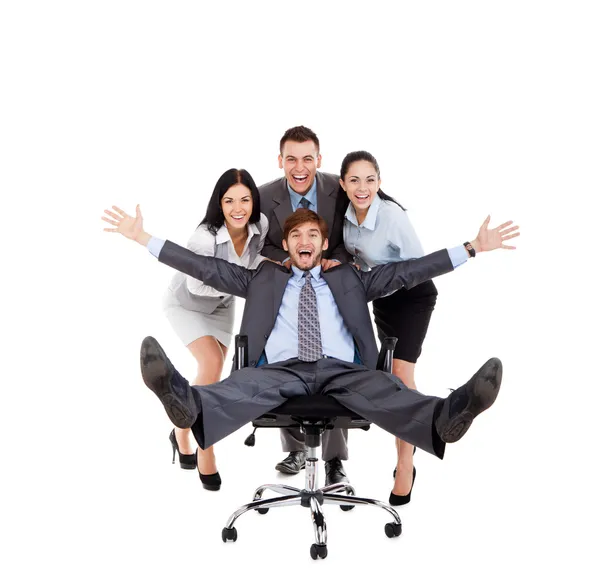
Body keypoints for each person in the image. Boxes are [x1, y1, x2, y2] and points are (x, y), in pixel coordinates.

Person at [102, 207, 519, 482]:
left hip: (343, 370)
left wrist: (473, 248)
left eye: (314, 235)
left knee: (387, 389)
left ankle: (446, 416)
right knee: (241, 387)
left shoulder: (350, 276)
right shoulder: (262, 277)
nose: (306, 240)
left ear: (323, 244)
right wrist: (144, 239)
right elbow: (204, 267)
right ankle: (185, 402)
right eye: (297, 235)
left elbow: (411, 270)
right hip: (280, 372)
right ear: (286, 245)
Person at [102, 168, 268, 491]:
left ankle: (181, 433)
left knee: (213, 373)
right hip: (187, 302)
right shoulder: (204, 238)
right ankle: (207, 450)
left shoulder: (259, 227)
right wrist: (242, 283)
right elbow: (197, 285)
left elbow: (260, 260)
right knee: (212, 364)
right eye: (229, 200)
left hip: (223, 306)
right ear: (219, 204)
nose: (238, 208)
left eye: (245, 200)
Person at [339, 150, 438, 505]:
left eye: (370, 180)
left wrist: (374, 281)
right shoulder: (346, 215)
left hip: (411, 296)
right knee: (384, 375)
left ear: (379, 182)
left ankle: (405, 463)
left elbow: (417, 268)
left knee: (400, 376)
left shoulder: (392, 216)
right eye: (354, 180)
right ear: (343, 184)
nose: (362, 187)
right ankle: (406, 449)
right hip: (381, 299)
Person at [258, 125, 351, 484]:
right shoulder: (264, 197)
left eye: (308, 158)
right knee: (286, 352)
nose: (300, 167)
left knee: (335, 356)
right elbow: (261, 244)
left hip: (330, 280)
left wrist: (333, 263)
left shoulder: (337, 190)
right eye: (292, 159)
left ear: (319, 159)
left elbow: (346, 238)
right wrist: (288, 261)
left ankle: (334, 460)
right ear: (280, 161)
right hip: (286, 280)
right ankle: (295, 450)